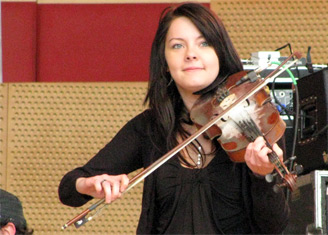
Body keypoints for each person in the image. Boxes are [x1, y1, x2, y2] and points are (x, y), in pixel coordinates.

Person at [59, 2, 290, 234]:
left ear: (219, 53)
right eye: (178, 46)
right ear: (165, 62)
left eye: (204, 43)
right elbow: (68, 188)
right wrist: (88, 185)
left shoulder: (254, 119)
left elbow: (275, 226)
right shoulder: (149, 128)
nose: (191, 54)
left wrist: (264, 176)